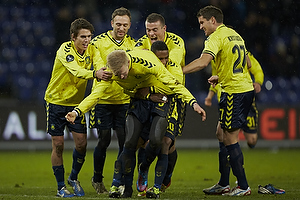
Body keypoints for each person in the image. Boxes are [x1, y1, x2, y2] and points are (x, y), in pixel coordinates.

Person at [65, 49, 206, 198]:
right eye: (118, 75)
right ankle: (124, 187)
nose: (121, 77)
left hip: (158, 100)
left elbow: (173, 84)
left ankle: (143, 167)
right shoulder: (110, 72)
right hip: (138, 103)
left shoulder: (147, 63)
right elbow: (95, 95)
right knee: (130, 143)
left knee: (156, 141)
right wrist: (76, 112)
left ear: (127, 62)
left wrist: (193, 103)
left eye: (122, 72)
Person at [182, 5, 254, 196]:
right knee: (221, 133)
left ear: (212, 20)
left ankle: (243, 186)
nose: (200, 27)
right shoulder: (234, 34)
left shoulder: (215, 37)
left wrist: (178, 71)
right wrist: (221, 75)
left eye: (202, 23)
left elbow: (202, 62)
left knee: (230, 138)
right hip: (243, 88)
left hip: (234, 93)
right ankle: (224, 183)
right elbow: (246, 63)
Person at [44, 18, 107, 197]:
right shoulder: (65, 50)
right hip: (56, 102)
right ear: (73, 37)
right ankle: (60, 187)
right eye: (83, 37)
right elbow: (76, 71)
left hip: (76, 105)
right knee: (58, 145)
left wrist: (104, 70)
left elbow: (101, 64)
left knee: (81, 144)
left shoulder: (93, 49)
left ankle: (73, 178)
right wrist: (96, 74)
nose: (87, 40)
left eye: (89, 36)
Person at [135, 13, 187, 196]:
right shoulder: (140, 42)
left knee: (167, 143)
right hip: (148, 98)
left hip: (172, 97)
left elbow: (168, 68)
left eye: (155, 30)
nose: (151, 34)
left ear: (164, 29)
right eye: (148, 30)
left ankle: (165, 178)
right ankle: (144, 172)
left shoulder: (177, 42)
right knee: (144, 141)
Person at [88, 7, 136, 194]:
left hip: (124, 100)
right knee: (104, 139)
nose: (121, 28)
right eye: (118, 24)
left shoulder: (134, 45)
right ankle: (97, 179)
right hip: (103, 100)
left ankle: (122, 180)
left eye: (125, 25)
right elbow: (99, 66)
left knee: (125, 141)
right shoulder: (98, 42)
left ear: (130, 25)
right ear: (111, 24)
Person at [204, 52, 264, 149]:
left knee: (252, 140)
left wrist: (258, 82)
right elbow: (216, 77)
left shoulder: (241, 50)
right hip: (227, 98)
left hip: (244, 96)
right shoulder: (214, 57)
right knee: (228, 136)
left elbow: (256, 69)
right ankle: (233, 160)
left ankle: (234, 156)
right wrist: (210, 96)